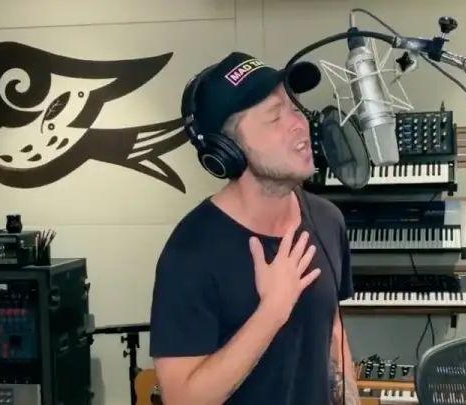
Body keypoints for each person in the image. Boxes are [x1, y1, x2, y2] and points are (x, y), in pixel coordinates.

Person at [149, 51, 359, 405]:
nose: (299, 122)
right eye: (275, 115)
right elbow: (182, 398)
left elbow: (333, 328)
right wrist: (272, 312)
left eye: (294, 106)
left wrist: (350, 398)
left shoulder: (327, 220)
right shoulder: (190, 252)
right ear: (228, 150)